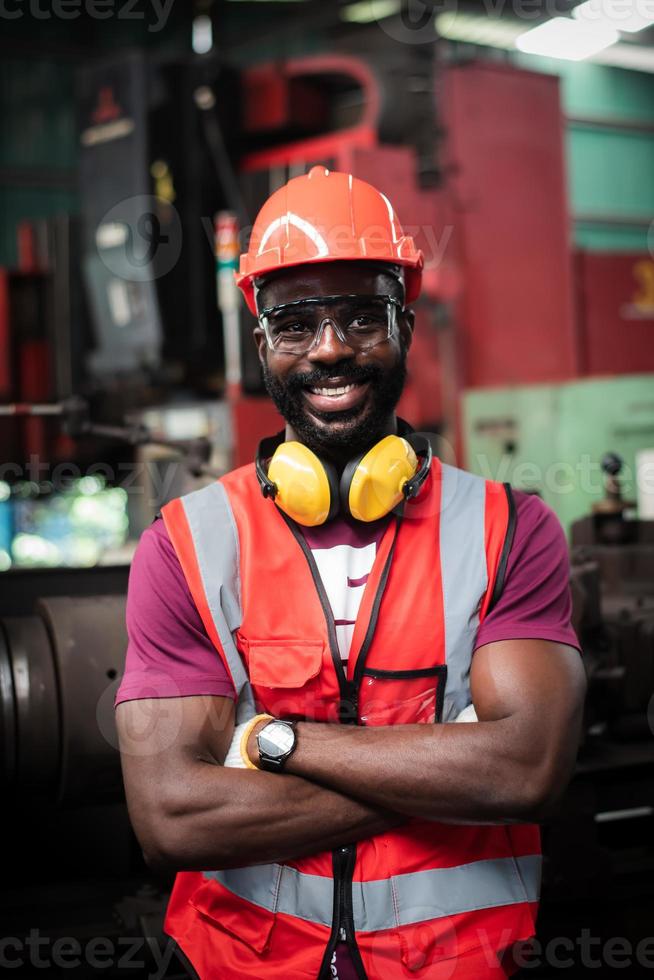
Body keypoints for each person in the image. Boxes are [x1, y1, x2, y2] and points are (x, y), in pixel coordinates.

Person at [115, 166, 586, 980]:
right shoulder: (186, 544)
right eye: (295, 324)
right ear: (260, 342)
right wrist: (448, 772)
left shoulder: (512, 529)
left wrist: (271, 741)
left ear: (405, 326)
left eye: (364, 316)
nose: (331, 348)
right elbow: (174, 821)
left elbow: (526, 770)